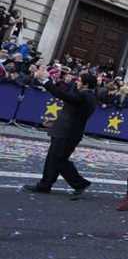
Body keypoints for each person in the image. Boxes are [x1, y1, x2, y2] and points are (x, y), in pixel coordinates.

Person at [23, 66, 96, 198]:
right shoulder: (85, 95)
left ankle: (79, 183)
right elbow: (71, 111)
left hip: (67, 133)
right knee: (55, 159)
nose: (76, 82)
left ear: (86, 84)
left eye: (79, 80)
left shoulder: (85, 96)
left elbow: (63, 95)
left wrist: (46, 80)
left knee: (58, 160)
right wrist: (54, 121)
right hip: (66, 131)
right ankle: (45, 185)